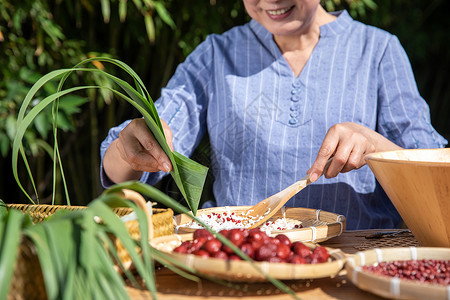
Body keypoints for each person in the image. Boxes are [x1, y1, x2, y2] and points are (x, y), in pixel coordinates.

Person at [100, 0, 447, 229]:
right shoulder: (216, 55)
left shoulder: (379, 51)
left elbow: (437, 179)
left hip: (356, 263)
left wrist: (376, 147)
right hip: (239, 263)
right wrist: (135, 143)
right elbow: (125, 166)